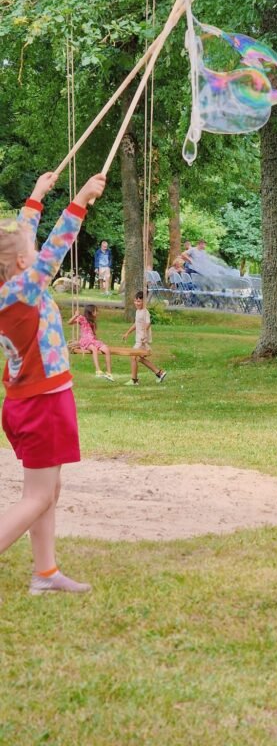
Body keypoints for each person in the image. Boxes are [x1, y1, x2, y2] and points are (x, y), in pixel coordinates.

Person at [0, 170, 106, 595]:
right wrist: (78, 200)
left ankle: (45, 574)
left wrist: (36, 197)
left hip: (27, 401)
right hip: (43, 402)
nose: (33, 238)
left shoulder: (11, 286)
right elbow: (53, 250)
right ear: (24, 264)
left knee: (47, 489)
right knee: (38, 497)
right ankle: (43, 574)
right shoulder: (26, 287)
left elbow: (21, 241)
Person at [122, 292, 166, 387]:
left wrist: (144, 335)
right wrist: (127, 333)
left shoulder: (145, 312)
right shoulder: (138, 312)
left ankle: (134, 380)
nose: (136, 303)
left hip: (142, 340)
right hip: (139, 339)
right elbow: (136, 324)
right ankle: (159, 373)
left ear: (143, 302)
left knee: (133, 356)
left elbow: (148, 323)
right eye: (135, 301)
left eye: (139, 301)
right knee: (139, 358)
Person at [68, 305, 114, 382]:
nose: (97, 313)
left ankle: (109, 373)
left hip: (93, 340)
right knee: (94, 349)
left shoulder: (92, 321)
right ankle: (98, 370)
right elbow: (69, 322)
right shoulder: (82, 318)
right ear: (90, 312)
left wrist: (98, 341)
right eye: (95, 311)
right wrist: (75, 315)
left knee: (107, 350)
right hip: (85, 340)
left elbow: (93, 333)